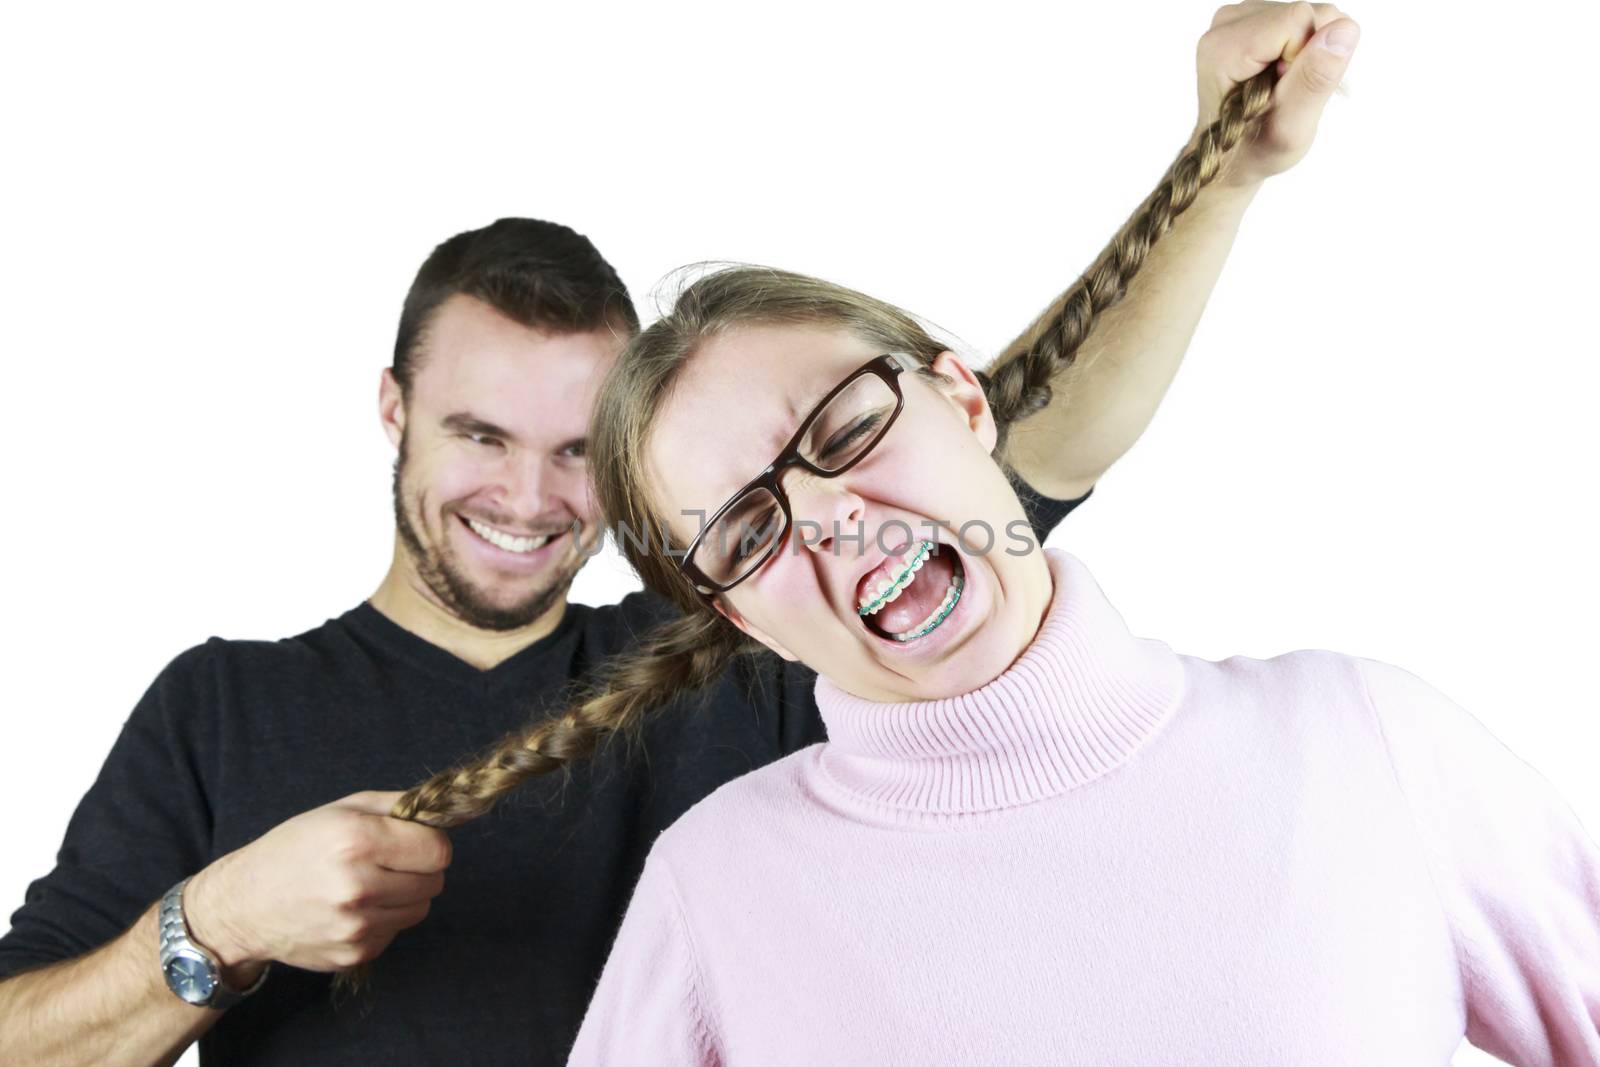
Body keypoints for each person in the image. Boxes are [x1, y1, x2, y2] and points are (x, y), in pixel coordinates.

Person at [0, 4, 1360, 1060]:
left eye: (576, 452)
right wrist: (214, 927)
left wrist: (1221, 167)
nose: (531, 497)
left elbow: (1011, 444)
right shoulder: (220, 706)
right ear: (393, 409)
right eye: (481, 437)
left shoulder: (741, 630)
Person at [373, 11, 1600, 1067]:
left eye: (843, 430)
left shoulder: (1359, 741)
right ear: (738, 613)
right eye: (748, 525)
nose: (830, 514)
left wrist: (1219, 167)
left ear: (965, 402)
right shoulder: (716, 894)